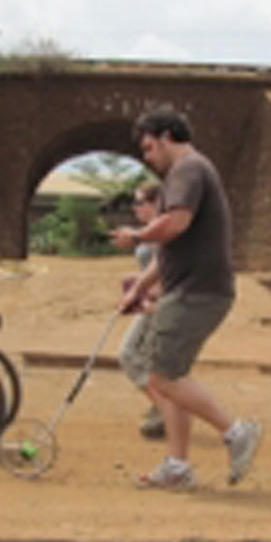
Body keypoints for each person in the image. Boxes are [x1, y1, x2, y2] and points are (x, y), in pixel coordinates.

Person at [111, 105, 262, 489]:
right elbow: (167, 254)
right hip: (193, 288)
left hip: (197, 290)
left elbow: (175, 225)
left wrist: (137, 235)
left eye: (148, 147)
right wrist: (139, 292)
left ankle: (235, 432)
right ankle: (177, 467)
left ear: (166, 137)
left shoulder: (188, 170)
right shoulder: (187, 174)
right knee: (171, 374)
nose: (147, 157)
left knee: (162, 376)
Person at [117, 179, 165, 439]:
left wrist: (149, 297)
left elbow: (167, 270)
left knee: (129, 354)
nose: (135, 208)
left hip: (157, 305)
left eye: (139, 202)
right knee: (149, 360)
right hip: (147, 301)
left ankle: (165, 408)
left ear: (155, 203)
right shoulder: (150, 232)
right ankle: (162, 409)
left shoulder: (164, 233)